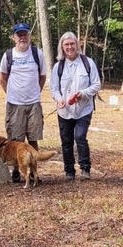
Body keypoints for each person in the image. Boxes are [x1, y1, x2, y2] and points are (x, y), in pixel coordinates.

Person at [0, 23, 47, 183]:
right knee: (15, 139)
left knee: (33, 139)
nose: (22, 37)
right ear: (14, 38)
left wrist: (34, 93)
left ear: (29, 36)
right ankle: (17, 171)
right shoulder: (8, 55)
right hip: (14, 105)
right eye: (19, 35)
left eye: (25, 34)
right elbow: (2, 78)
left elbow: (42, 77)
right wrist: (13, 94)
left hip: (33, 104)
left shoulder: (37, 54)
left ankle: (34, 172)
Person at [50, 32, 101, 180]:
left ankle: (85, 169)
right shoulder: (58, 66)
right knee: (66, 141)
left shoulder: (87, 63)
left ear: (77, 45)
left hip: (83, 109)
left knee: (80, 137)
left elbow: (96, 85)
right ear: (62, 47)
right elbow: (54, 89)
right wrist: (59, 99)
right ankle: (69, 171)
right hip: (64, 111)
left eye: (72, 44)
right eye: (66, 45)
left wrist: (83, 93)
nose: (70, 47)